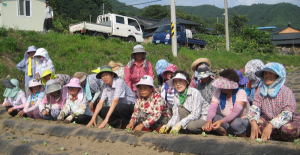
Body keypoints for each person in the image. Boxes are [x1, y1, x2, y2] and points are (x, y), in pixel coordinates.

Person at [248, 62, 300, 142]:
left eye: (271, 73)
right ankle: (270, 136)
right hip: (269, 123)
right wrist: (253, 122)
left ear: (278, 76)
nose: (267, 76)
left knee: (287, 129)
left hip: (285, 123)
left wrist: (271, 125)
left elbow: (287, 114)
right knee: (256, 122)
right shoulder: (261, 91)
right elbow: (255, 107)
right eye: (265, 73)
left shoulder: (286, 92)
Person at [202, 69, 250, 137]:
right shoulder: (218, 91)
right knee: (214, 119)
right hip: (226, 121)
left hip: (241, 121)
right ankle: (227, 134)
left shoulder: (241, 93)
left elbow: (235, 112)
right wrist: (209, 120)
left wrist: (221, 121)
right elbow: (212, 108)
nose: (222, 87)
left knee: (235, 123)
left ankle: (243, 137)